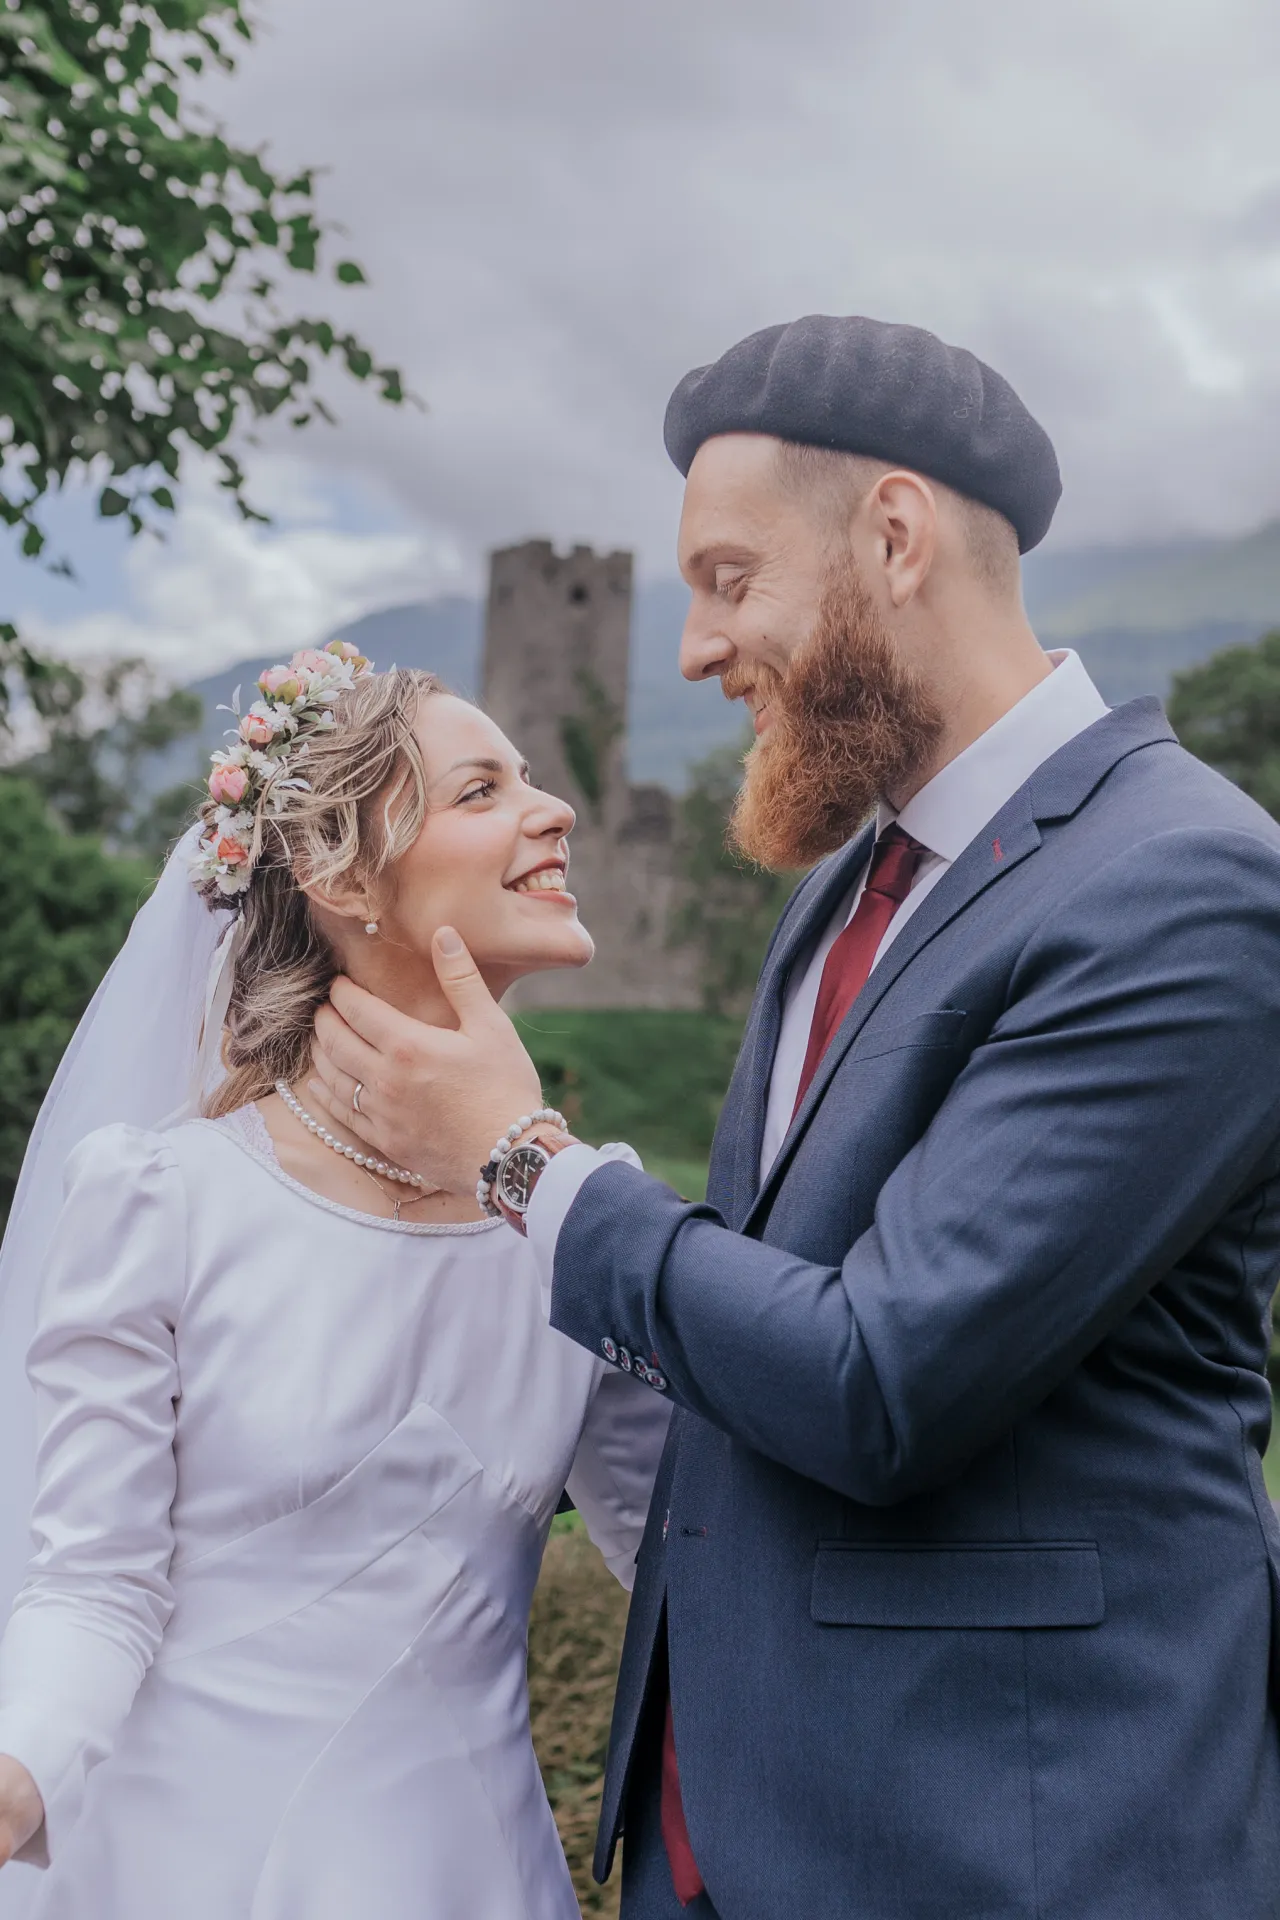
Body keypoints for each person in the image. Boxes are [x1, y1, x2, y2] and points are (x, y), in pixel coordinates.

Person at [308, 316, 1280, 1919]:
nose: (694, 648)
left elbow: (879, 1377)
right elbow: (740, 1350)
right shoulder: (844, 883)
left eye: (729, 577)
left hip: (1005, 1853)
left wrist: (529, 1165)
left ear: (893, 537)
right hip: (728, 1841)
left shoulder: (1186, 884)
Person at [0, 642, 670, 1919]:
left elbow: (684, 1557)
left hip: (470, 1877)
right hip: (173, 1875)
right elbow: (95, 1580)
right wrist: (18, 1773)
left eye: (533, 779)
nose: (556, 809)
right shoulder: (165, 1199)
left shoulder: (584, 1221)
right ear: (339, 874)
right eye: (483, 791)